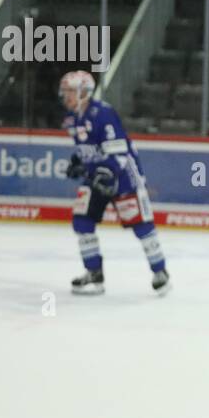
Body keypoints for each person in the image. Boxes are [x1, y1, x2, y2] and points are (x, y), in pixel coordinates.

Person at [59, 71, 170, 296]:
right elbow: (87, 148)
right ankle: (94, 274)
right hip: (96, 176)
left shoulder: (103, 113)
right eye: (65, 91)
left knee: (141, 224)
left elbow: (118, 150)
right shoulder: (73, 119)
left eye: (71, 91)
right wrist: (77, 161)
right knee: (82, 220)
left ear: (84, 92)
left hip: (123, 176)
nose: (66, 96)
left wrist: (107, 172)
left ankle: (160, 272)